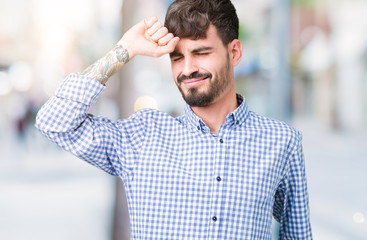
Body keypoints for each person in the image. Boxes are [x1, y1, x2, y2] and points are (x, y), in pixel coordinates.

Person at [36, 0, 312, 239]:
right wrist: (124, 49)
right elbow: (53, 122)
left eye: (201, 53)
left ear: (234, 52)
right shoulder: (142, 135)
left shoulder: (281, 141)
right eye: (177, 58)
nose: (188, 69)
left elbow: (298, 234)